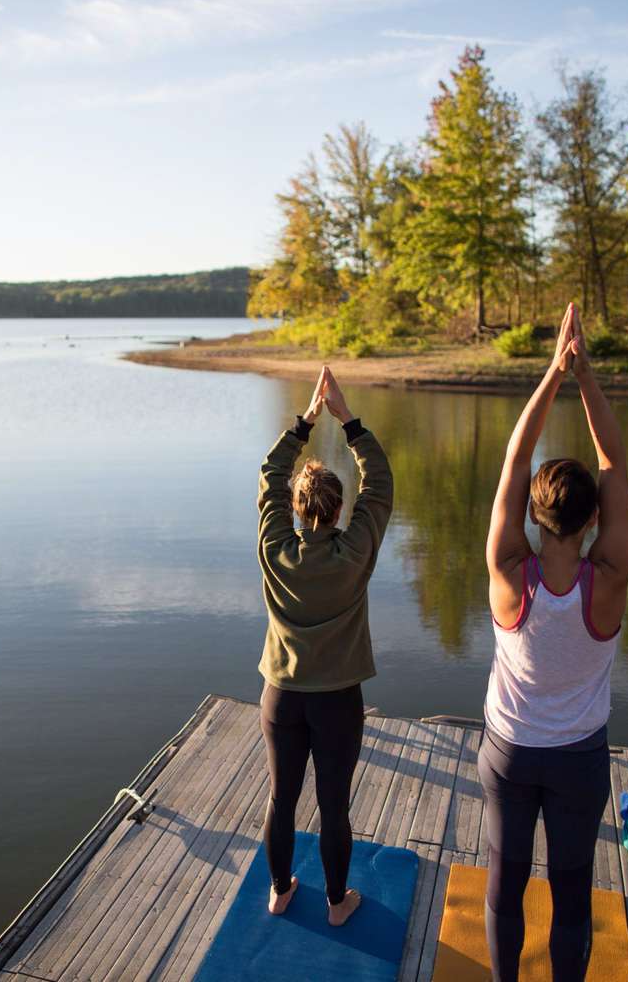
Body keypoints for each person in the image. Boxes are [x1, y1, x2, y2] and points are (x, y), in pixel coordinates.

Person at [479, 303, 628, 980]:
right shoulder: (609, 580)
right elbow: (615, 461)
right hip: (578, 760)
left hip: (510, 754)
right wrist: (585, 376)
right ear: (593, 517)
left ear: (534, 516)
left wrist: (551, 374)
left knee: (505, 886)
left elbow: (516, 461)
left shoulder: (510, 574)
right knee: (573, 895)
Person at [256, 365, 393, 927]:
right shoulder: (354, 549)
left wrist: (304, 424)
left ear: (294, 509)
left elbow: (270, 474)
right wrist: (347, 421)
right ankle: (338, 904)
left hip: (281, 697)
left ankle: (280, 891)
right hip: (338, 701)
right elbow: (380, 484)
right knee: (333, 805)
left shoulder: (275, 547)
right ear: (339, 510)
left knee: (280, 799)